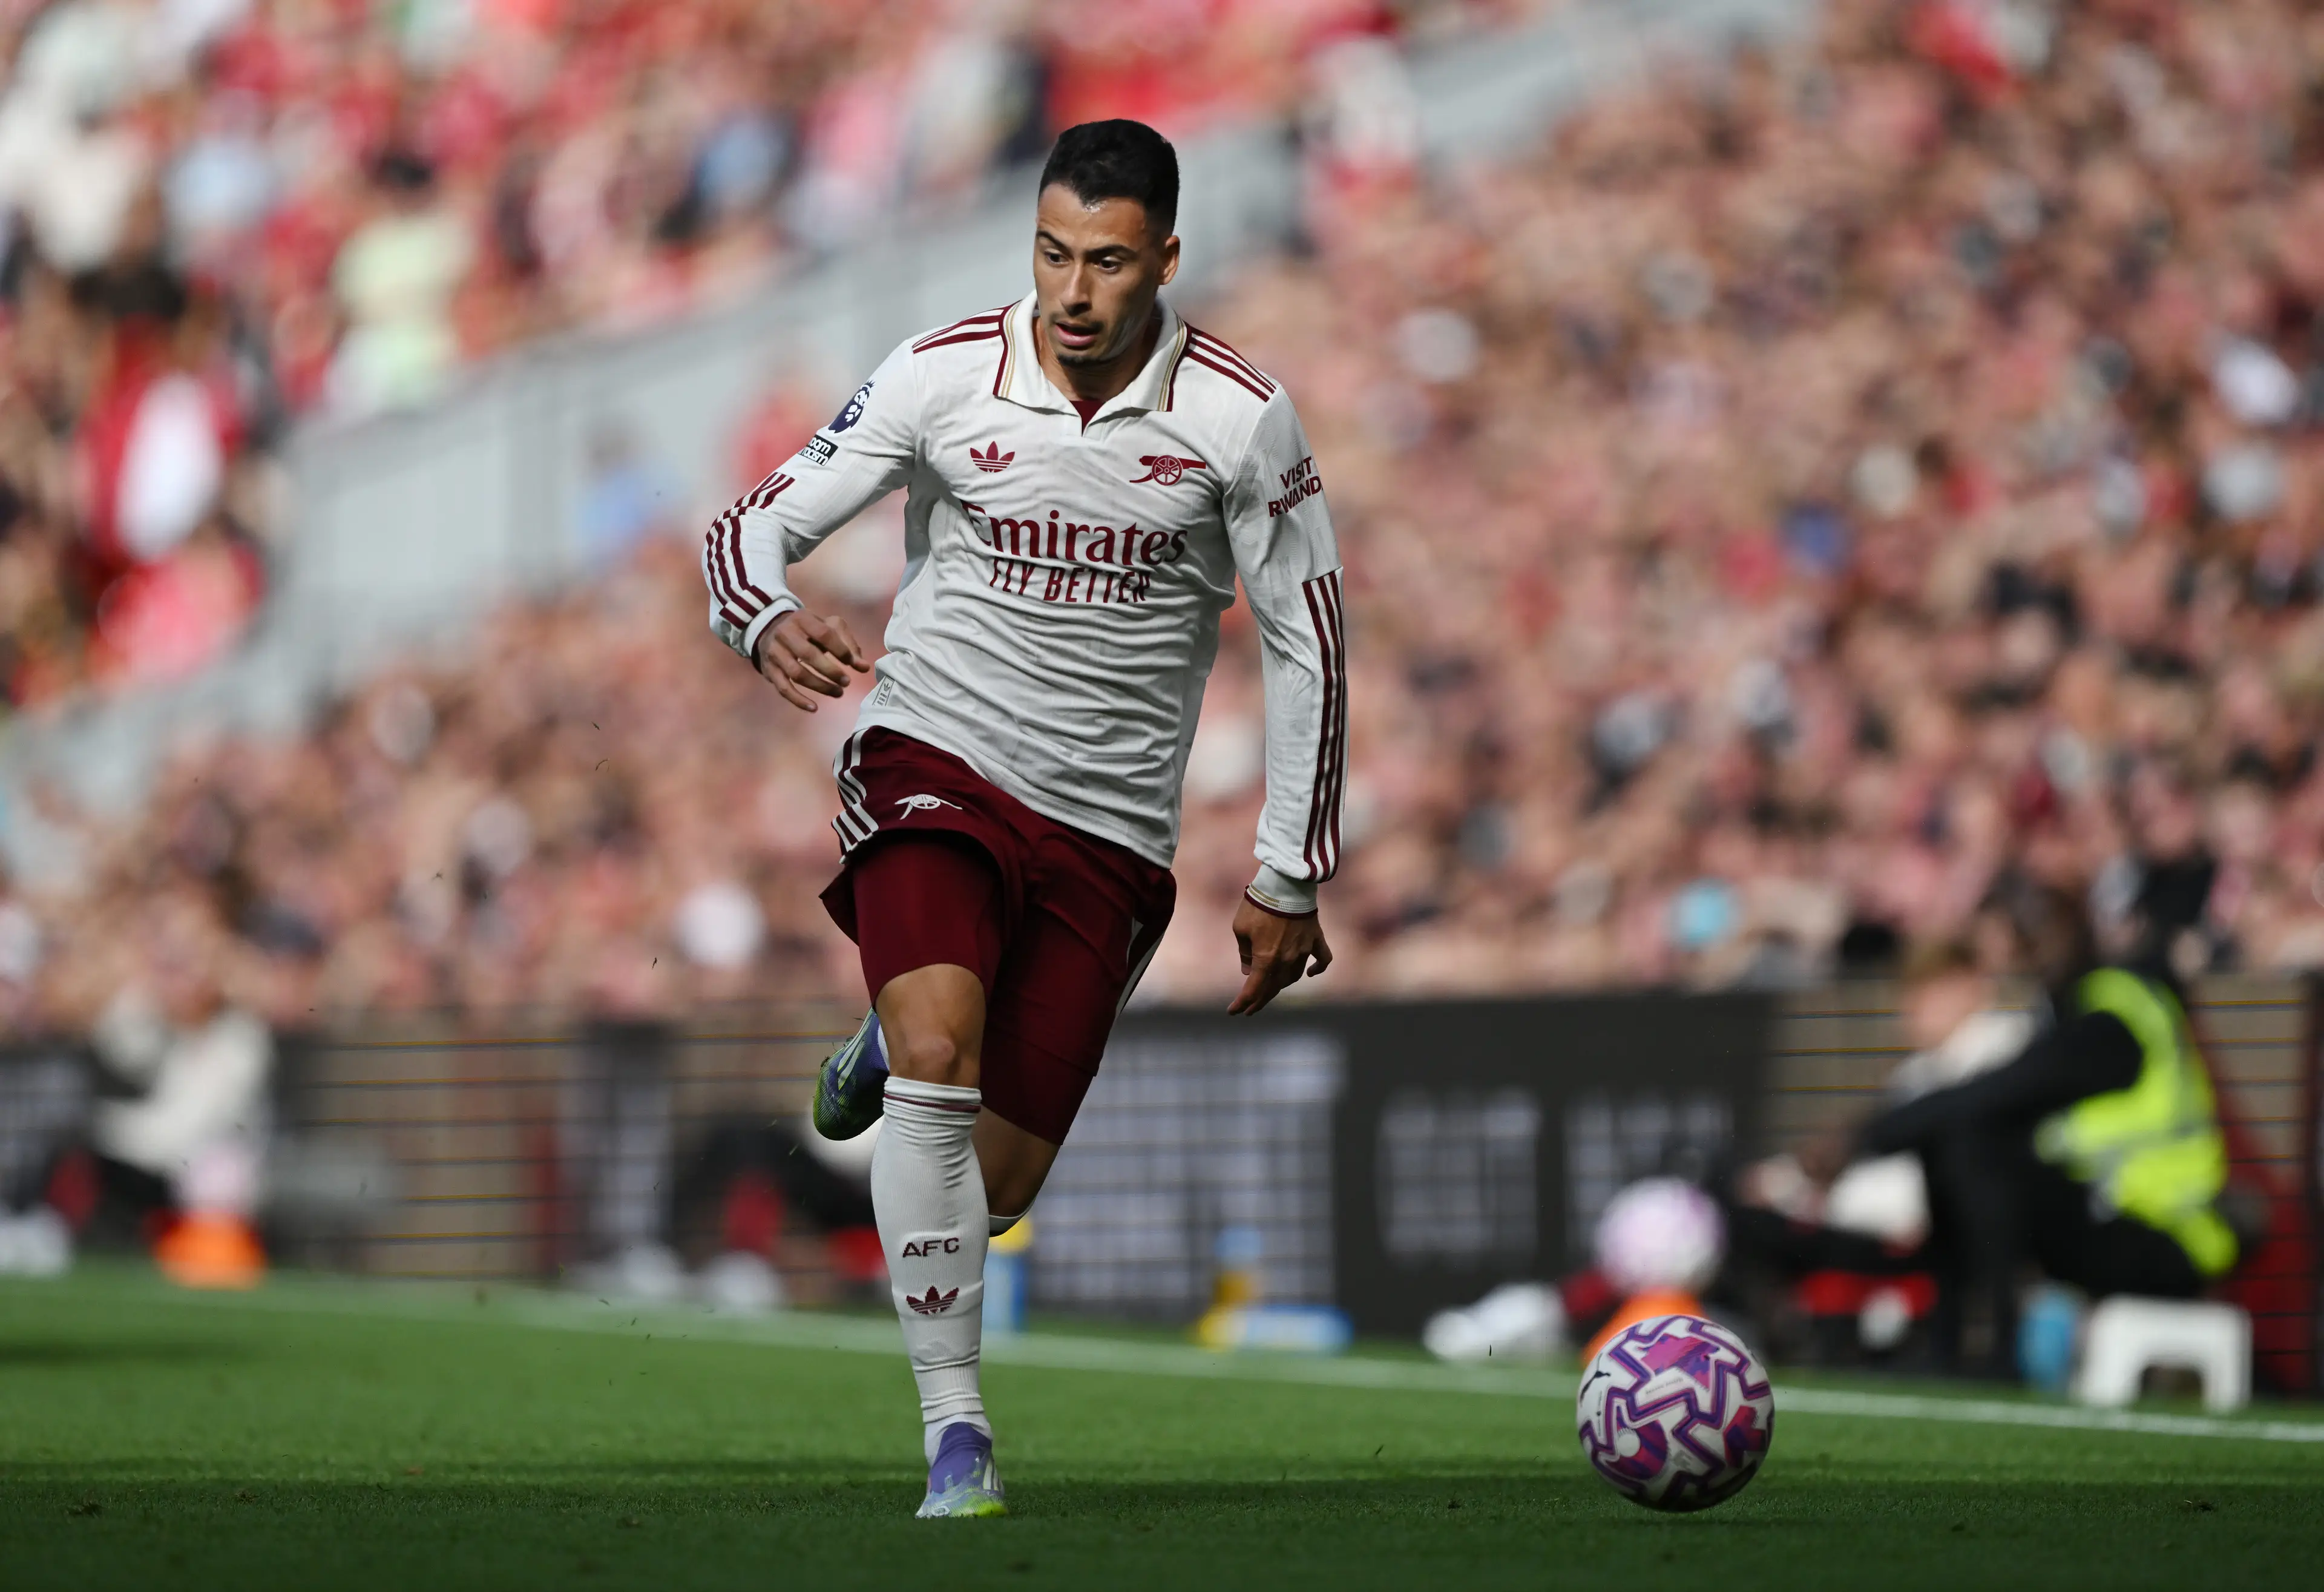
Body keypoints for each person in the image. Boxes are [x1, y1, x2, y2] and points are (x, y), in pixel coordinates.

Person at [700, 119, 1345, 1517]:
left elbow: (1311, 639)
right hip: (936, 752)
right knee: (942, 1054)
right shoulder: (941, 373)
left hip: (1107, 829)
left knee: (982, 1189)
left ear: (1164, 259)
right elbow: (751, 519)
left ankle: (887, 1040)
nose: (1071, 289)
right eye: (1051, 252)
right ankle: (957, 1433)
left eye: (1106, 262)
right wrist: (761, 616)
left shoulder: (1237, 417)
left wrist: (1290, 870)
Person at [1848, 888, 2242, 1378]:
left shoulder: (2111, 1017)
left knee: (1970, 1142)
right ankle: (1949, 1344)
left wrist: (1866, 1135)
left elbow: (1998, 1092)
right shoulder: (2073, 1007)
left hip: (2170, 1233)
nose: (2014, 957)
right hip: (2112, 1214)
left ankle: (1997, 1351)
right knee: (1959, 1141)